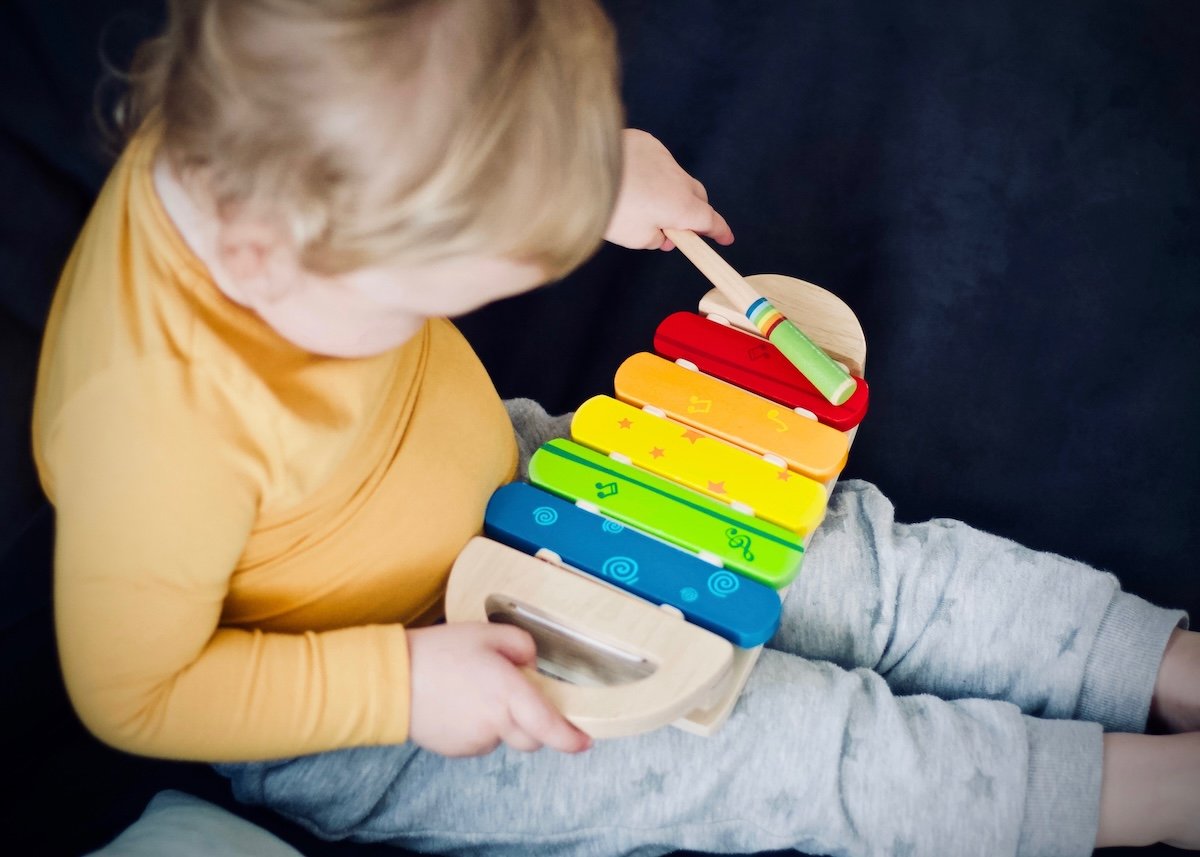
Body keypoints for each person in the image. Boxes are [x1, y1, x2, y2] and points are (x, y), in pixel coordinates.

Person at [32, 1, 1199, 855]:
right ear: (262, 255)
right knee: (796, 750)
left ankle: (1163, 664)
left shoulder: (295, 113)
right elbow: (132, 694)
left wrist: (578, 173)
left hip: (520, 485)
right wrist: (396, 681)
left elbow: (448, 76)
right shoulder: (154, 424)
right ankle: (1160, 796)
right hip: (393, 686)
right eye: (429, 300)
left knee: (861, 563)